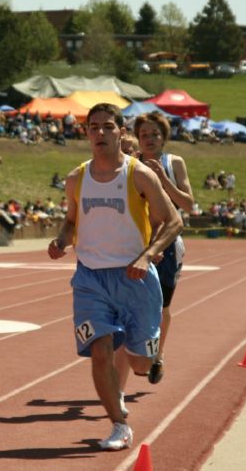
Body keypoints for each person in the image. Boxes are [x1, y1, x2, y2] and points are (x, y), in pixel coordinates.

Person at [47, 103, 182, 451]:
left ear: (121, 133)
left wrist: (148, 255)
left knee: (140, 364)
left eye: (108, 127)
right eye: (94, 127)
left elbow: (173, 221)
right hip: (90, 278)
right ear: (86, 133)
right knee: (100, 350)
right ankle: (119, 426)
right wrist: (62, 240)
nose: (100, 133)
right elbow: (72, 220)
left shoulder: (138, 174)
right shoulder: (77, 178)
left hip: (135, 277)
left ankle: (149, 354)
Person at [120, 112, 194, 389]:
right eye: (144, 135)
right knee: (131, 304)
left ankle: (157, 355)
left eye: (155, 134)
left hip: (168, 245)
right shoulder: (130, 165)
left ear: (164, 137)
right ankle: (138, 355)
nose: (149, 139)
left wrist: (163, 178)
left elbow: (187, 204)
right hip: (135, 244)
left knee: (161, 305)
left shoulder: (175, 163)